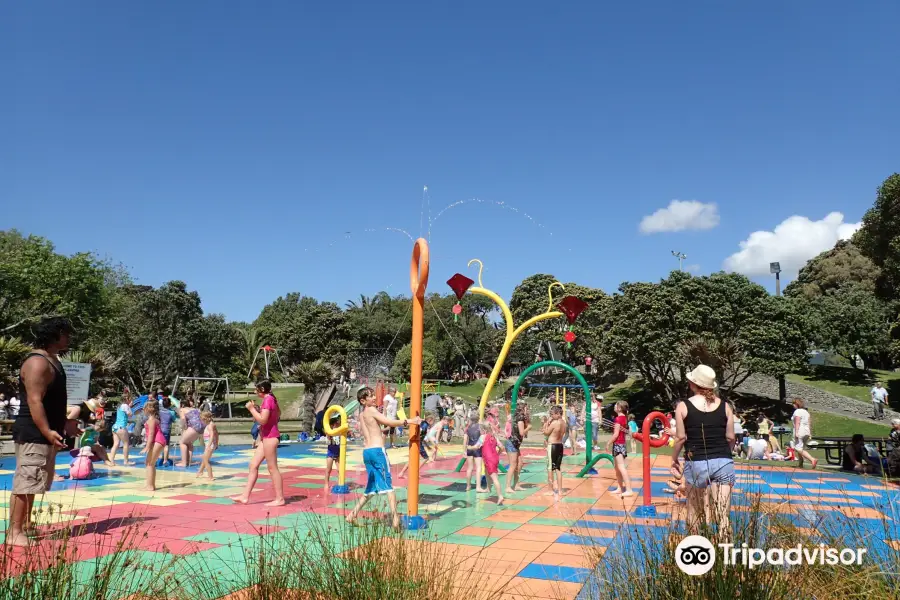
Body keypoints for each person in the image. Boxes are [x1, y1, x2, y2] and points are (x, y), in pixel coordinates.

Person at [8, 317, 72, 547]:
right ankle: (14, 531)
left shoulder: (53, 360)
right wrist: (46, 430)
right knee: (26, 481)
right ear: (54, 335)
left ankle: (24, 524)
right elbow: (35, 401)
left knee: (36, 481)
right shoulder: (37, 363)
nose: (69, 338)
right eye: (66, 333)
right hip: (34, 433)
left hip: (46, 433)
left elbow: (55, 400)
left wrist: (64, 423)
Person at [670, 365, 735, 536]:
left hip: (697, 461)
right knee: (723, 517)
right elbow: (731, 438)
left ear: (693, 383)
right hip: (723, 461)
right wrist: (724, 454)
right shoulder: (726, 406)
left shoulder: (683, 406)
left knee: (694, 514)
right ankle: (726, 557)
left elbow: (681, 438)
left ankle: (696, 556)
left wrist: (674, 459)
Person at [346, 387, 421, 530]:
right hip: (377, 452)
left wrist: (381, 430)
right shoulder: (372, 411)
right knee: (389, 487)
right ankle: (395, 521)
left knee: (371, 488)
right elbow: (389, 422)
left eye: (374, 395)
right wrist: (411, 421)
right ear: (363, 400)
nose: (374, 398)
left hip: (367, 452)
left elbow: (371, 429)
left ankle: (352, 515)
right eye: (371, 396)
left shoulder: (362, 415)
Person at [236, 380, 285, 506]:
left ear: (262, 389)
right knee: (253, 465)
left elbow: (262, 420)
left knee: (272, 468)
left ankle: (280, 498)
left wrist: (252, 409)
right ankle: (245, 496)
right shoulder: (271, 399)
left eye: (256, 389)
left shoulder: (268, 400)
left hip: (271, 438)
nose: (254, 391)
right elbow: (278, 413)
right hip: (266, 437)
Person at [468, 423, 505, 505]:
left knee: (495, 478)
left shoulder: (483, 437)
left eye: (480, 430)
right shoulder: (494, 436)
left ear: (484, 430)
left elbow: (477, 446)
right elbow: (502, 447)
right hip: (494, 458)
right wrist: (498, 454)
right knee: (486, 472)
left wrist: (469, 447)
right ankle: (488, 488)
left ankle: (500, 496)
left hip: (489, 459)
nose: (480, 432)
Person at [606, 401, 635, 498]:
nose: (614, 406)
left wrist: (608, 443)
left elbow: (616, 434)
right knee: (617, 468)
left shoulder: (618, 419)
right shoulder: (624, 418)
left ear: (619, 408)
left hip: (618, 444)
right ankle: (620, 487)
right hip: (621, 444)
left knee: (621, 467)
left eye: (615, 405)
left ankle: (629, 489)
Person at [542, 404, 567, 501]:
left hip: (552, 446)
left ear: (557, 414)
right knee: (558, 468)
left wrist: (545, 424)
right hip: (560, 445)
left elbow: (546, 432)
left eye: (552, 414)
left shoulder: (554, 423)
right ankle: (560, 490)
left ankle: (550, 490)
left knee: (550, 468)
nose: (551, 416)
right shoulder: (564, 423)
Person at [504, 403, 529, 494]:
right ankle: (507, 486)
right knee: (513, 465)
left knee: (520, 464)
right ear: (523, 409)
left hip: (515, 444)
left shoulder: (518, 417)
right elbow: (522, 433)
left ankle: (516, 485)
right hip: (512, 443)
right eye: (527, 408)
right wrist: (528, 427)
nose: (528, 410)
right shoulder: (520, 418)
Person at [142, 401, 166, 491]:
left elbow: (151, 434)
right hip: (158, 441)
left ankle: (150, 486)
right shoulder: (154, 419)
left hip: (158, 441)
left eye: (144, 408)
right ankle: (150, 484)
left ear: (148, 409)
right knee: (149, 463)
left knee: (150, 464)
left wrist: (147, 446)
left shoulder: (151, 420)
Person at [177, 398, 205, 468]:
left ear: (182, 404)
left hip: (194, 426)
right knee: (189, 443)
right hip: (202, 427)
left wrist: (184, 428)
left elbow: (183, 419)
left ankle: (184, 463)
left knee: (182, 442)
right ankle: (188, 461)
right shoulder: (194, 409)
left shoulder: (182, 410)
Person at [791, 398, 818, 470]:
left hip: (800, 430)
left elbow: (797, 422)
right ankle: (800, 464)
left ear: (796, 404)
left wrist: (796, 432)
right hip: (806, 431)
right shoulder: (806, 412)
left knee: (798, 448)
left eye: (793, 404)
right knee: (802, 448)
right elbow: (809, 423)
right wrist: (809, 433)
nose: (793, 405)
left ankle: (812, 459)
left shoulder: (797, 411)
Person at [463, 414, 486, 492]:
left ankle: (468, 486)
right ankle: (478, 487)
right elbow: (483, 438)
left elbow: (465, 440)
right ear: (478, 419)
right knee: (478, 467)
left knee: (469, 468)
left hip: (469, 447)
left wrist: (464, 450)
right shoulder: (480, 427)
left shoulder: (468, 428)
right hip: (477, 448)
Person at [196, 411, 218, 480]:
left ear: (206, 419)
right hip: (211, 445)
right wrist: (216, 443)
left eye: (202, 420)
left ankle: (210, 476)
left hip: (209, 445)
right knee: (205, 458)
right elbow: (217, 434)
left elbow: (212, 435)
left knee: (205, 460)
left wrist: (209, 445)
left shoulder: (210, 426)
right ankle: (200, 472)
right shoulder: (212, 424)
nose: (202, 422)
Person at [324, 413, 342, 492]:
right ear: (333, 425)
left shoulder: (339, 432)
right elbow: (328, 438)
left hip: (338, 453)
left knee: (339, 470)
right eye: (337, 424)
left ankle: (340, 483)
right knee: (329, 469)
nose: (338, 425)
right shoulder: (329, 433)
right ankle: (326, 483)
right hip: (330, 453)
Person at [157, 396, 176, 466]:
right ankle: (165, 460)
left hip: (160, 430)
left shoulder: (159, 412)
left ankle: (157, 458)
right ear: (170, 404)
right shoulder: (171, 412)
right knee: (166, 445)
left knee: (158, 445)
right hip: (167, 430)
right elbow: (174, 420)